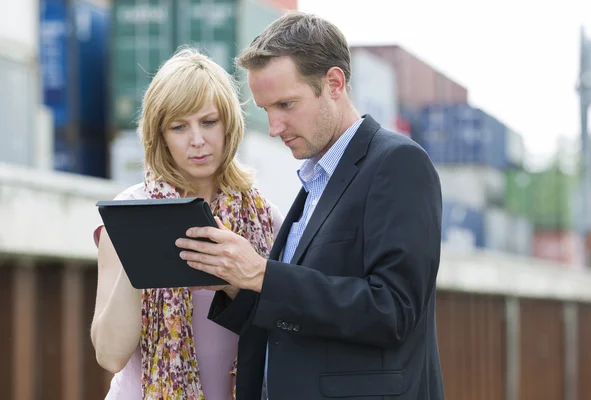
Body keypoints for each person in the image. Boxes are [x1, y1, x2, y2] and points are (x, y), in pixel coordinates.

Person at [175, 11, 445, 400]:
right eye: (266, 109)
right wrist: (237, 284)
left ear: (334, 83)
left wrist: (262, 275)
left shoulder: (398, 163)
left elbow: (393, 310)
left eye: (286, 104)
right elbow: (296, 315)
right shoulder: (315, 179)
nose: (274, 126)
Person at [91, 47, 282, 399]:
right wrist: (142, 255)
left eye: (208, 122)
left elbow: (283, 336)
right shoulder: (129, 213)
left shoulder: (265, 218)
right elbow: (109, 355)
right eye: (179, 127)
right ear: (160, 135)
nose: (198, 140)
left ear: (229, 124)